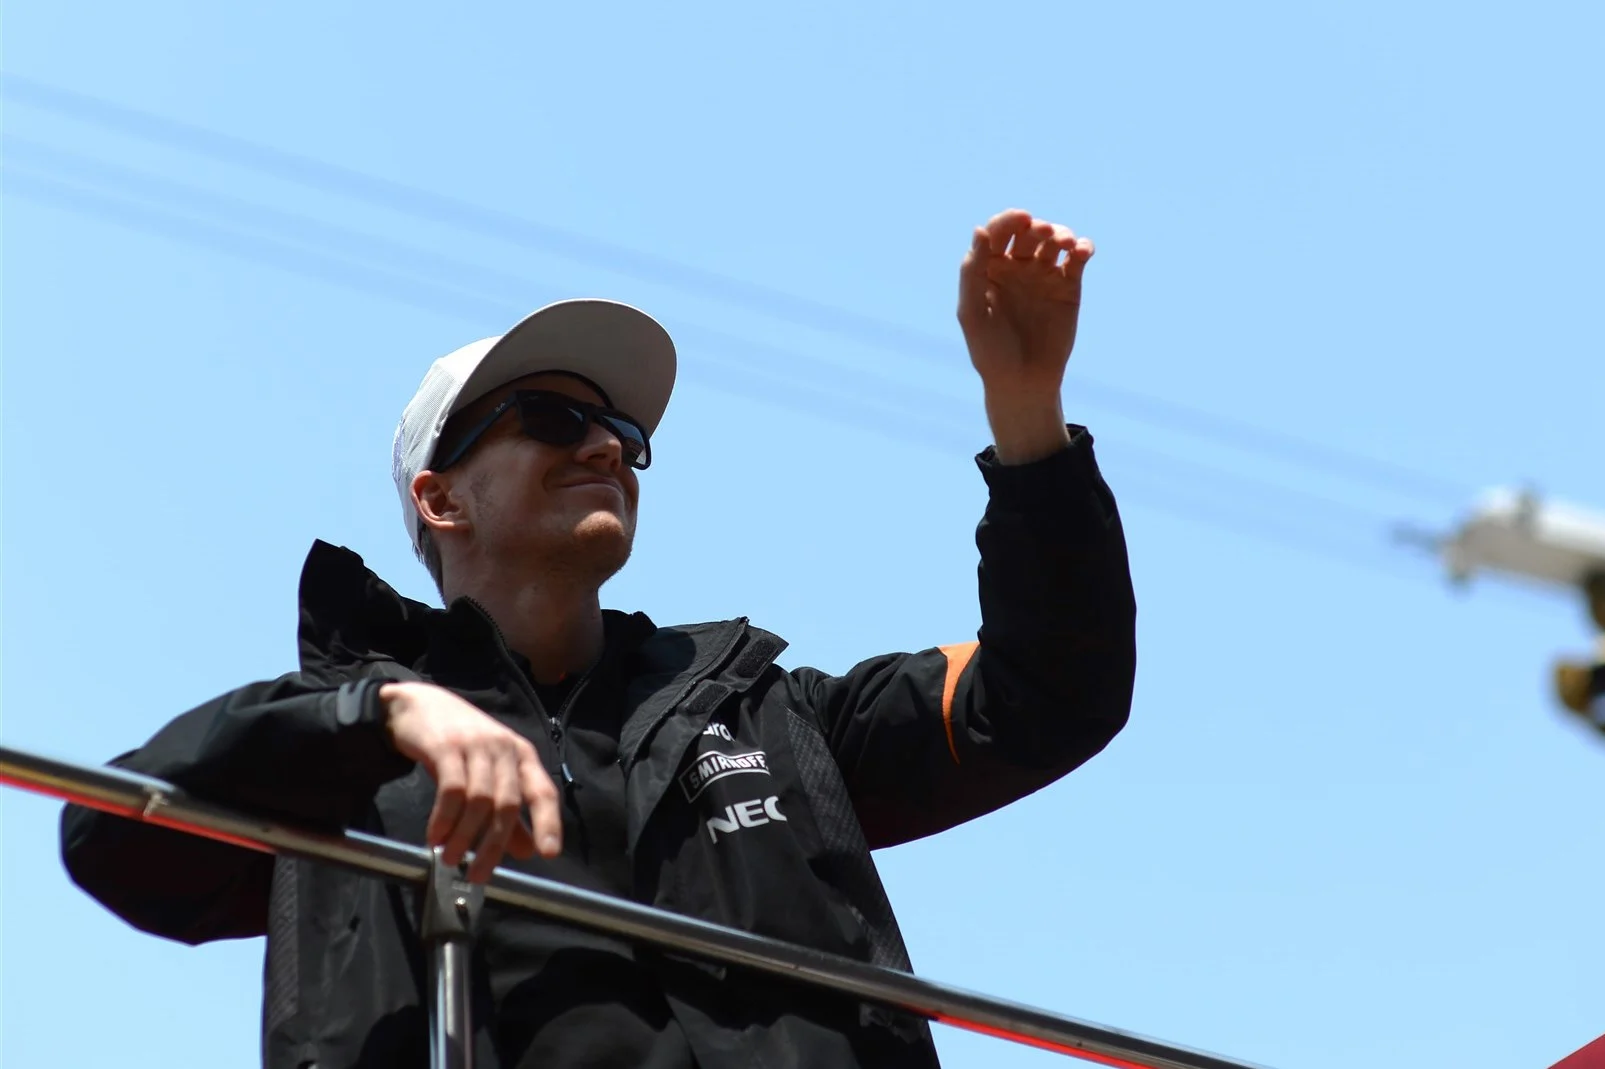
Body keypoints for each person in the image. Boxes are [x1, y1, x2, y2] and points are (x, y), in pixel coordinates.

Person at [59, 209, 1137, 1069]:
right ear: (442, 500)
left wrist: (1026, 415)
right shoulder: (342, 749)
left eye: (623, 436)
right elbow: (113, 842)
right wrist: (380, 713)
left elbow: (1048, 697)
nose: (607, 449)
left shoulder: (769, 710)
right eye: (552, 421)